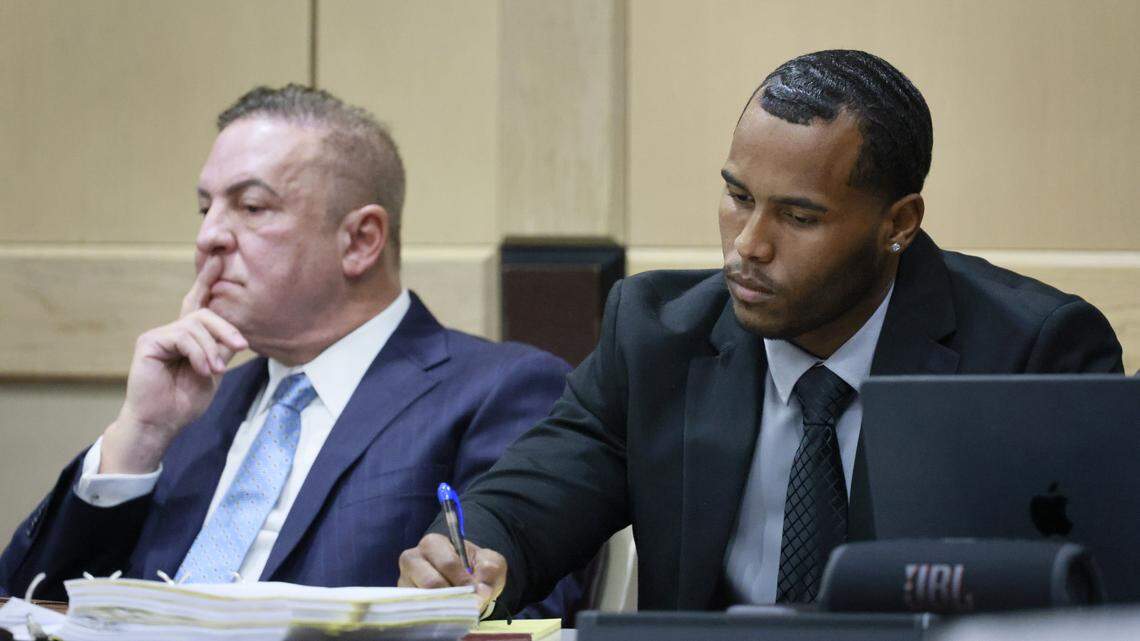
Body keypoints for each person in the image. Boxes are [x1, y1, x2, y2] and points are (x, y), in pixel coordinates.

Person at [398, 50, 1124, 614]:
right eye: (737, 197)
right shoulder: (655, 336)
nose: (748, 243)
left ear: (898, 223)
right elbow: (527, 504)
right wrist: (469, 551)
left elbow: (1095, 598)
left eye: (799, 217)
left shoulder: (1030, 349)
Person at [0, 85, 578, 613]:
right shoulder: (194, 409)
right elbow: (27, 603)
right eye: (206, 209)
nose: (209, 237)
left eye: (251, 207)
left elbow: (517, 612)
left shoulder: (502, 391)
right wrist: (141, 434)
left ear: (360, 240)